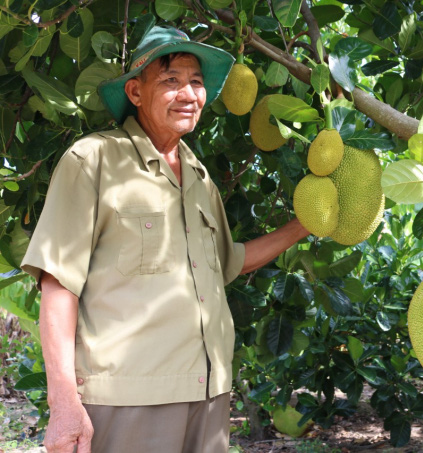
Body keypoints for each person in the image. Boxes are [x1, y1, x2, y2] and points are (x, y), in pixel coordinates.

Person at [20, 26, 309, 453]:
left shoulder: (199, 177)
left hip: (209, 396)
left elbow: (233, 262)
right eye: (171, 81)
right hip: (129, 400)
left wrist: (305, 225)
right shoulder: (93, 160)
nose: (189, 93)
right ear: (135, 92)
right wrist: (62, 400)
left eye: (196, 82)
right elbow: (58, 284)